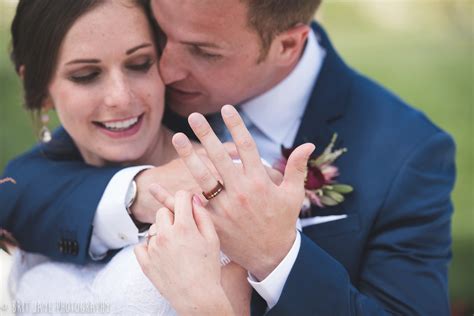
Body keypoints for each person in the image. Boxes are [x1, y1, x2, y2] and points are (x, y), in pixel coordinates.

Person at [1, 0, 455, 314]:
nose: (167, 68)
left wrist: (277, 257)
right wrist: (138, 192)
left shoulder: (405, 153)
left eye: (202, 51)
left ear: (286, 46)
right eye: (162, 36)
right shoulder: (146, 95)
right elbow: (28, 184)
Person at [2, 0, 251, 314]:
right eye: (86, 75)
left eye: (139, 64)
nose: (120, 98)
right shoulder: (31, 200)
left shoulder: (222, 181)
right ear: (40, 89)